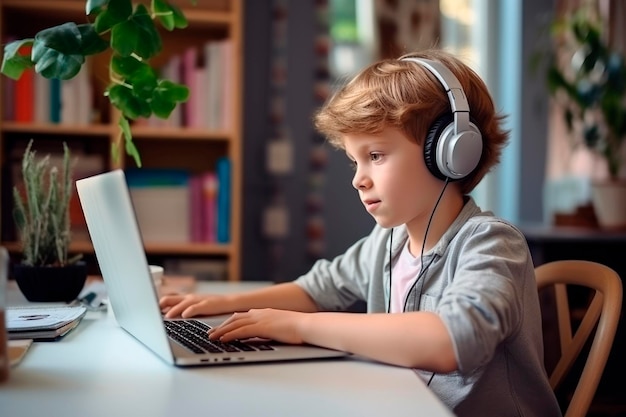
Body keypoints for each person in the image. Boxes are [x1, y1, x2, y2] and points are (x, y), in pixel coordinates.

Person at [160, 49, 562, 416]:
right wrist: (223, 304)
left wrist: (298, 327)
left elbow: (451, 341)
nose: (358, 180)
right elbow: (317, 289)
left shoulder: (491, 243)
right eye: (354, 161)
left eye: (375, 156)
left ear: (450, 153)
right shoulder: (388, 243)